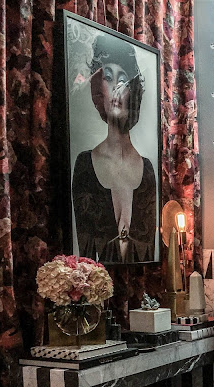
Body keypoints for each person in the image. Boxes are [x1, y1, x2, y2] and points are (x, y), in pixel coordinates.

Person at [72, 33, 157, 263]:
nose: (117, 88)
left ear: (132, 92)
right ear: (99, 89)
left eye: (123, 80)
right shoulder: (85, 165)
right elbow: (84, 256)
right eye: (108, 78)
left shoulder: (147, 170)